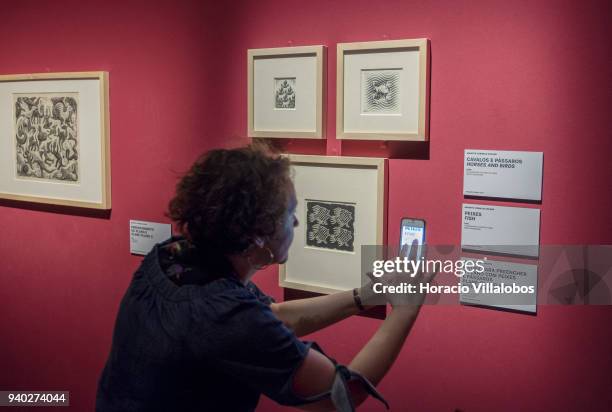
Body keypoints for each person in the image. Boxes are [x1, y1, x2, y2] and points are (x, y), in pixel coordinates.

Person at [96, 142, 434, 411]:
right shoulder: (224, 316)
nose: (297, 224)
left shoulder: (171, 257)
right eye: (290, 215)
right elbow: (340, 396)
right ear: (259, 234)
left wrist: (366, 295)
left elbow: (270, 320)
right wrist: (405, 310)